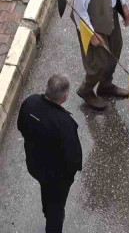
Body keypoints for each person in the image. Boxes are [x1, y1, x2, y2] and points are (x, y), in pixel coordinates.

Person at [72, 0, 129, 110]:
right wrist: (90, 34)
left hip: (109, 15)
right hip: (92, 24)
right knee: (97, 63)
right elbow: (79, 10)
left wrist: (124, 6)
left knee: (115, 51)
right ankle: (86, 90)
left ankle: (106, 85)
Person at [17, 74, 82, 233]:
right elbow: (73, 158)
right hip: (56, 176)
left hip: (35, 165)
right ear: (65, 96)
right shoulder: (65, 123)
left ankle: (47, 209)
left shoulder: (30, 102)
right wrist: (69, 175)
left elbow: (21, 126)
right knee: (56, 207)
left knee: (46, 191)